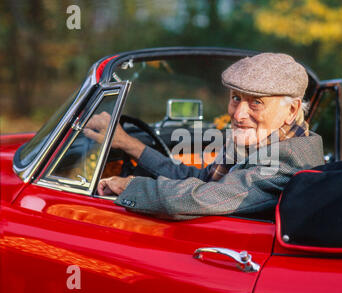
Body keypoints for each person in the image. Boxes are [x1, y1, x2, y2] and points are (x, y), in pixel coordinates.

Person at [84, 53, 324, 220]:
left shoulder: (289, 159)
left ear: (291, 111)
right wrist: (129, 144)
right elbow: (202, 179)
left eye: (256, 103)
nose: (238, 114)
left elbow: (205, 197)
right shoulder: (259, 141)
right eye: (236, 98)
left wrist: (130, 186)